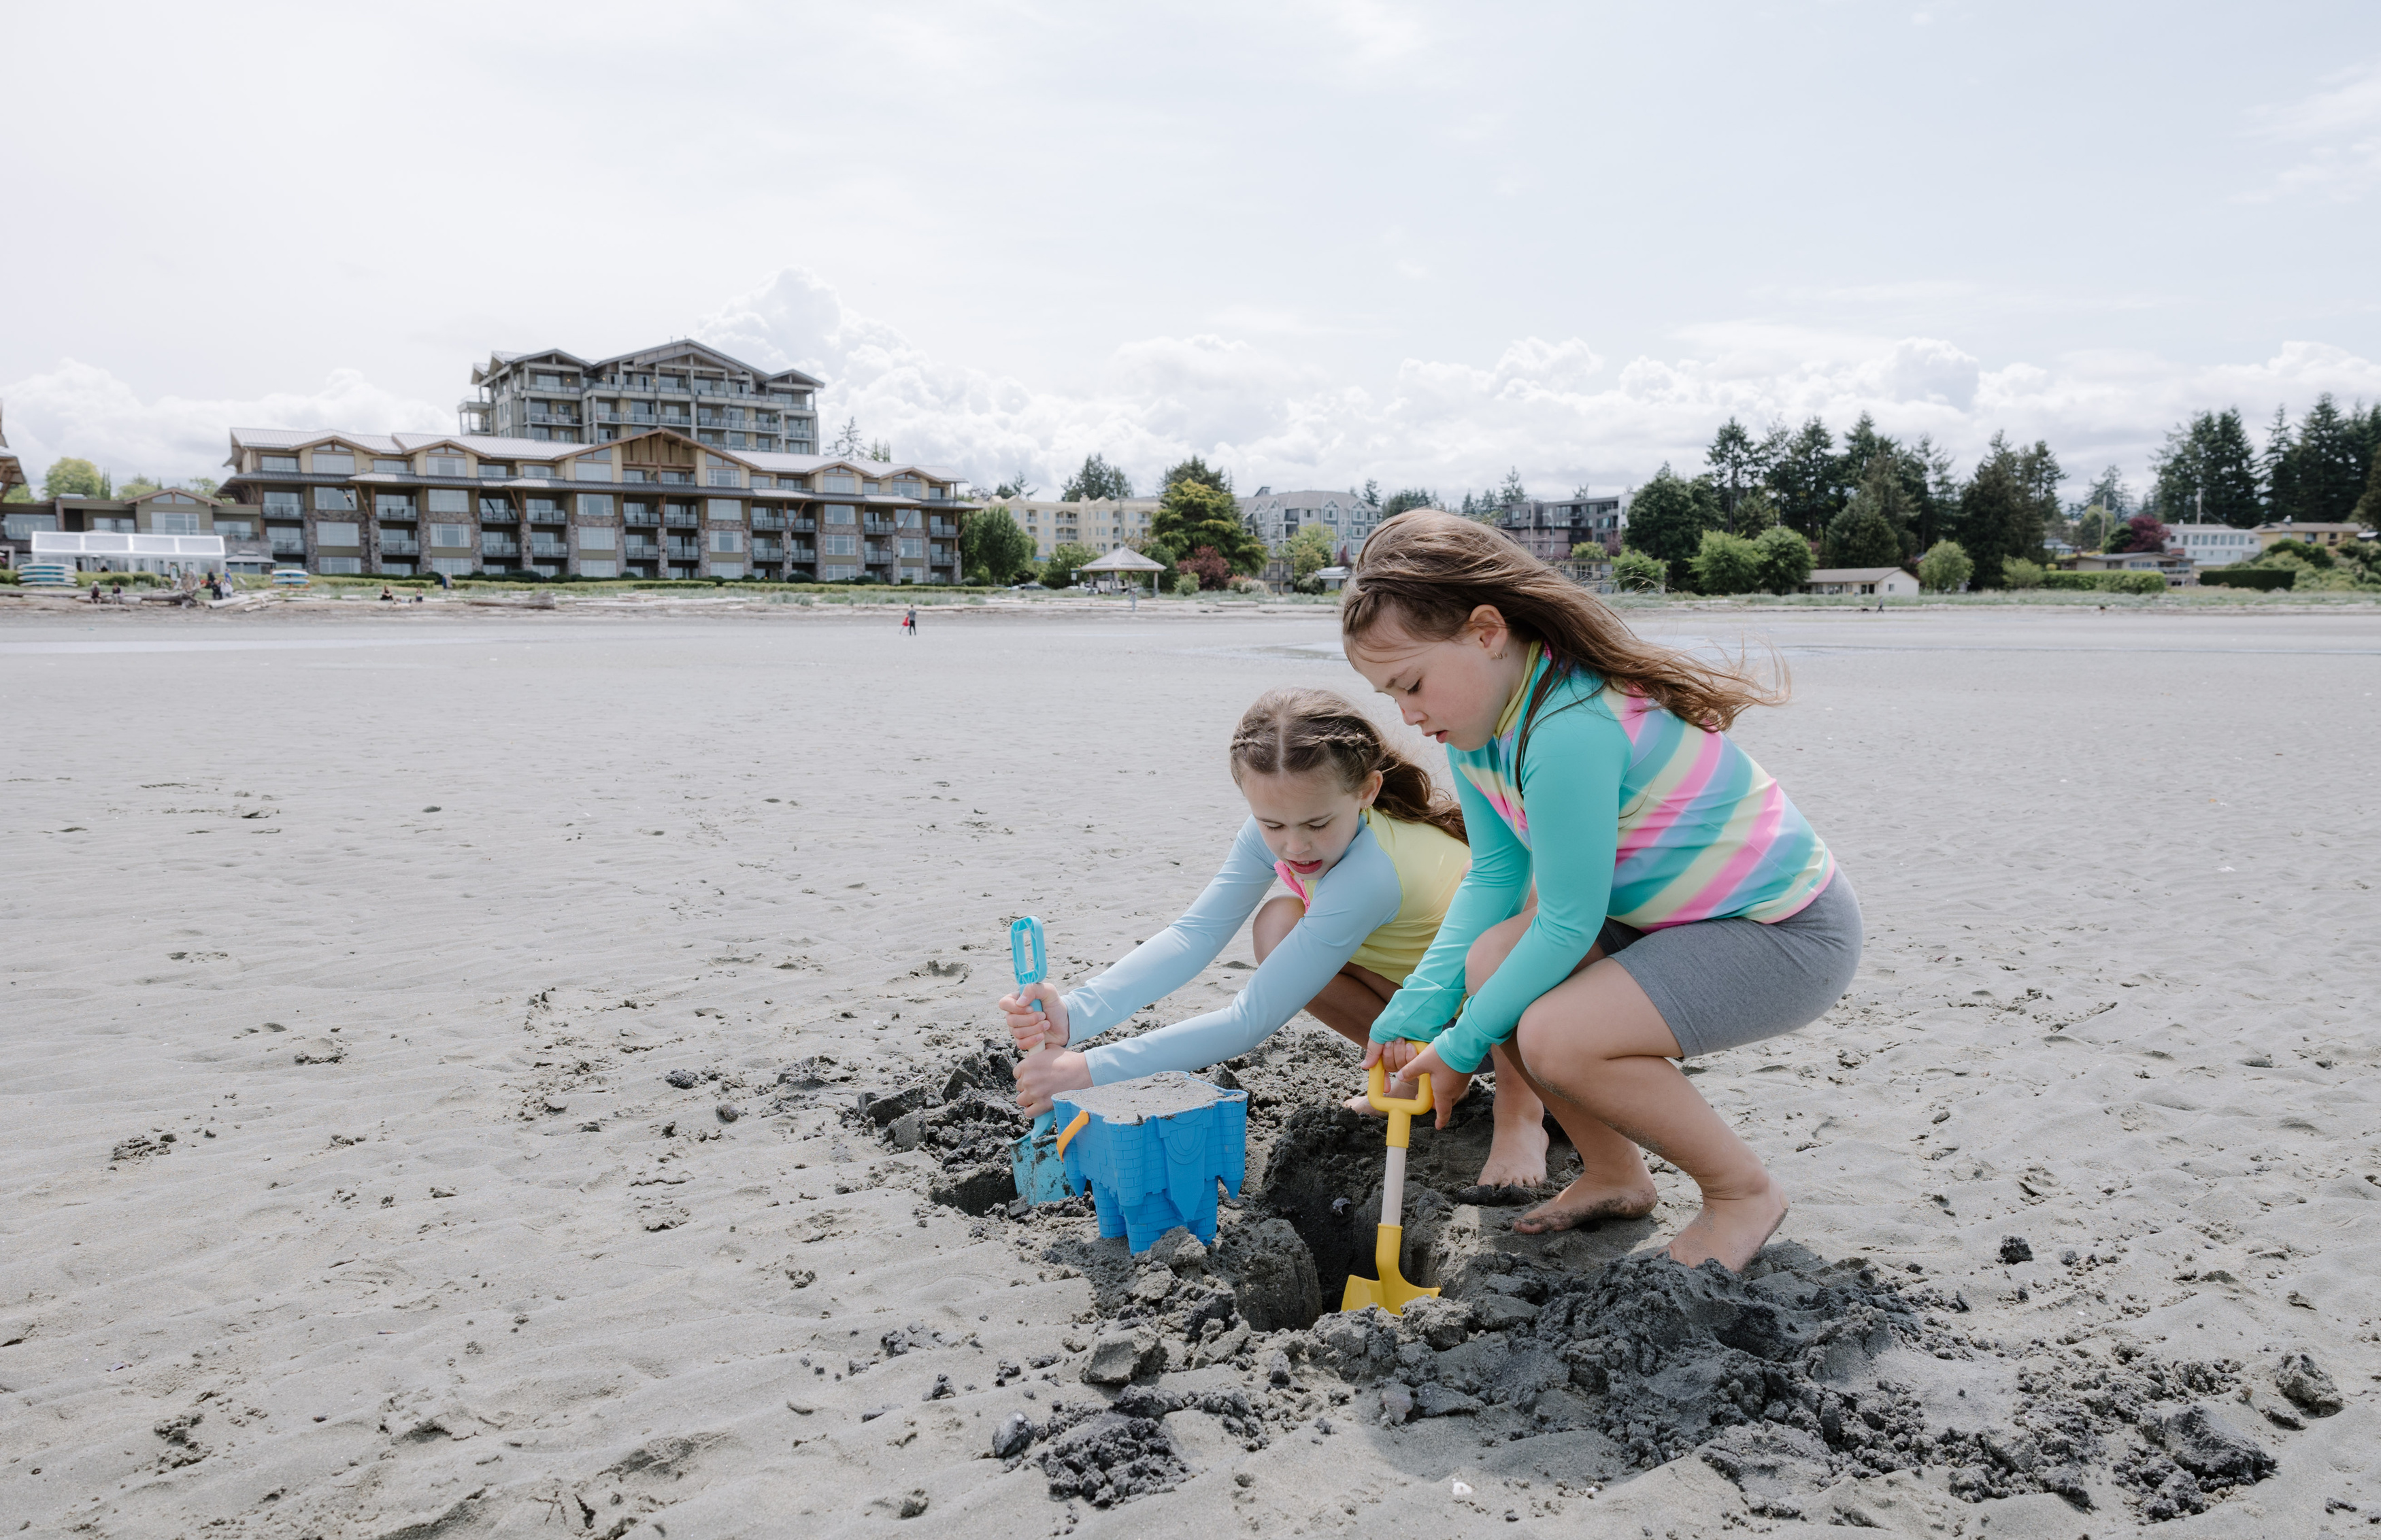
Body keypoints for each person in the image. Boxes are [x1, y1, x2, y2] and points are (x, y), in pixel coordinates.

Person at [1340, 510, 1859, 1273]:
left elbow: (1565, 922)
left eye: (1411, 683)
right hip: (1665, 921)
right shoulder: (1480, 731)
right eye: (1389, 695)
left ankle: (1739, 1190)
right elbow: (1492, 877)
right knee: (1491, 962)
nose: (1407, 714)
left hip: (1783, 932)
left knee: (1559, 1033)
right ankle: (1614, 1172)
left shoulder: (1568, 727)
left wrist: (1457, 1046)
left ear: (1486, 632)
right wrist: (1412, 1009)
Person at [1003, 688, 1469, 1108]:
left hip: (1482, 1027)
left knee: (1286, 935)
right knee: (1277, 924)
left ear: (1367, 790)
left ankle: (1436, 1069)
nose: (1294, 846)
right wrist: (1076, 1014)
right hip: (1413, 994)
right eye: (1272, 825)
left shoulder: (1370, 875)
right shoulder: (1287, 828)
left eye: (1317, 824)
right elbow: (1195, 935)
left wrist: (1087, 1072)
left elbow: (1249, 1019)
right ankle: (1412, 1069)